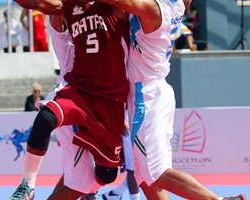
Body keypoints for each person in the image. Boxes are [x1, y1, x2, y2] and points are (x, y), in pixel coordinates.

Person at [96, 0, 246, 199]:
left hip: (147, 95)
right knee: (144, 178)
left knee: (157, 174)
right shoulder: (177, 4)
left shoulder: (154, 8)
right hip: (152, 91)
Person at [8, 0, 130, 199]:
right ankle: (27, 185)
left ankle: (90, 192)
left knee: (104, 174)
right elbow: (38, 3)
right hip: (75, 88)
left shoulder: (114, 8)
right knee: (77, 177)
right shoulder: (68, 9)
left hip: (109, 98)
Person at [102, 111, 140, 200]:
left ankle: (114, 194)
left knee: (141, 167)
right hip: (129, 118)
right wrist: (121, 119)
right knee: (133, 168)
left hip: (143, 117)